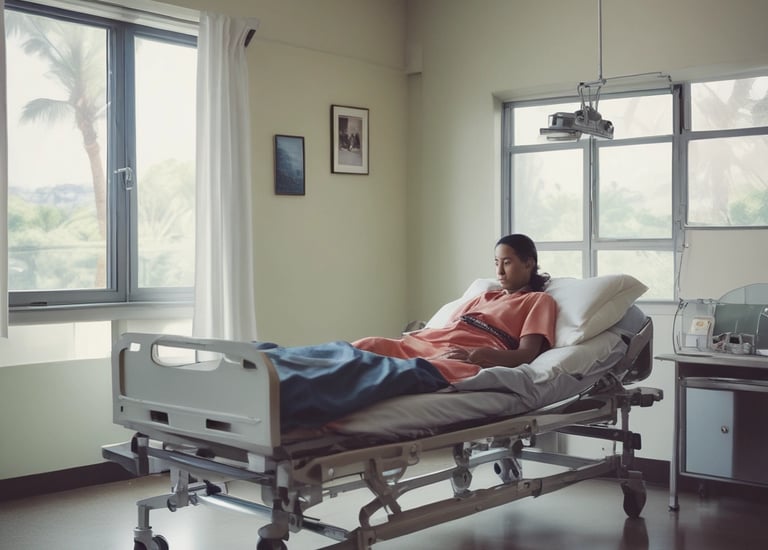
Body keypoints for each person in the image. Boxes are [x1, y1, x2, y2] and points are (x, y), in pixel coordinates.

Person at [353, 234, 557, 384]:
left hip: (461, 357)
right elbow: (449, 328)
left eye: (507, 263)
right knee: (367, 345)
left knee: (415, 371)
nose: (499, 271)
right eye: (496, 263)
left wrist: (479, 354)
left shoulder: (537, 300)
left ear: (529, 263)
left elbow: (526, 354)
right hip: (428, 344)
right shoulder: (485, 296)